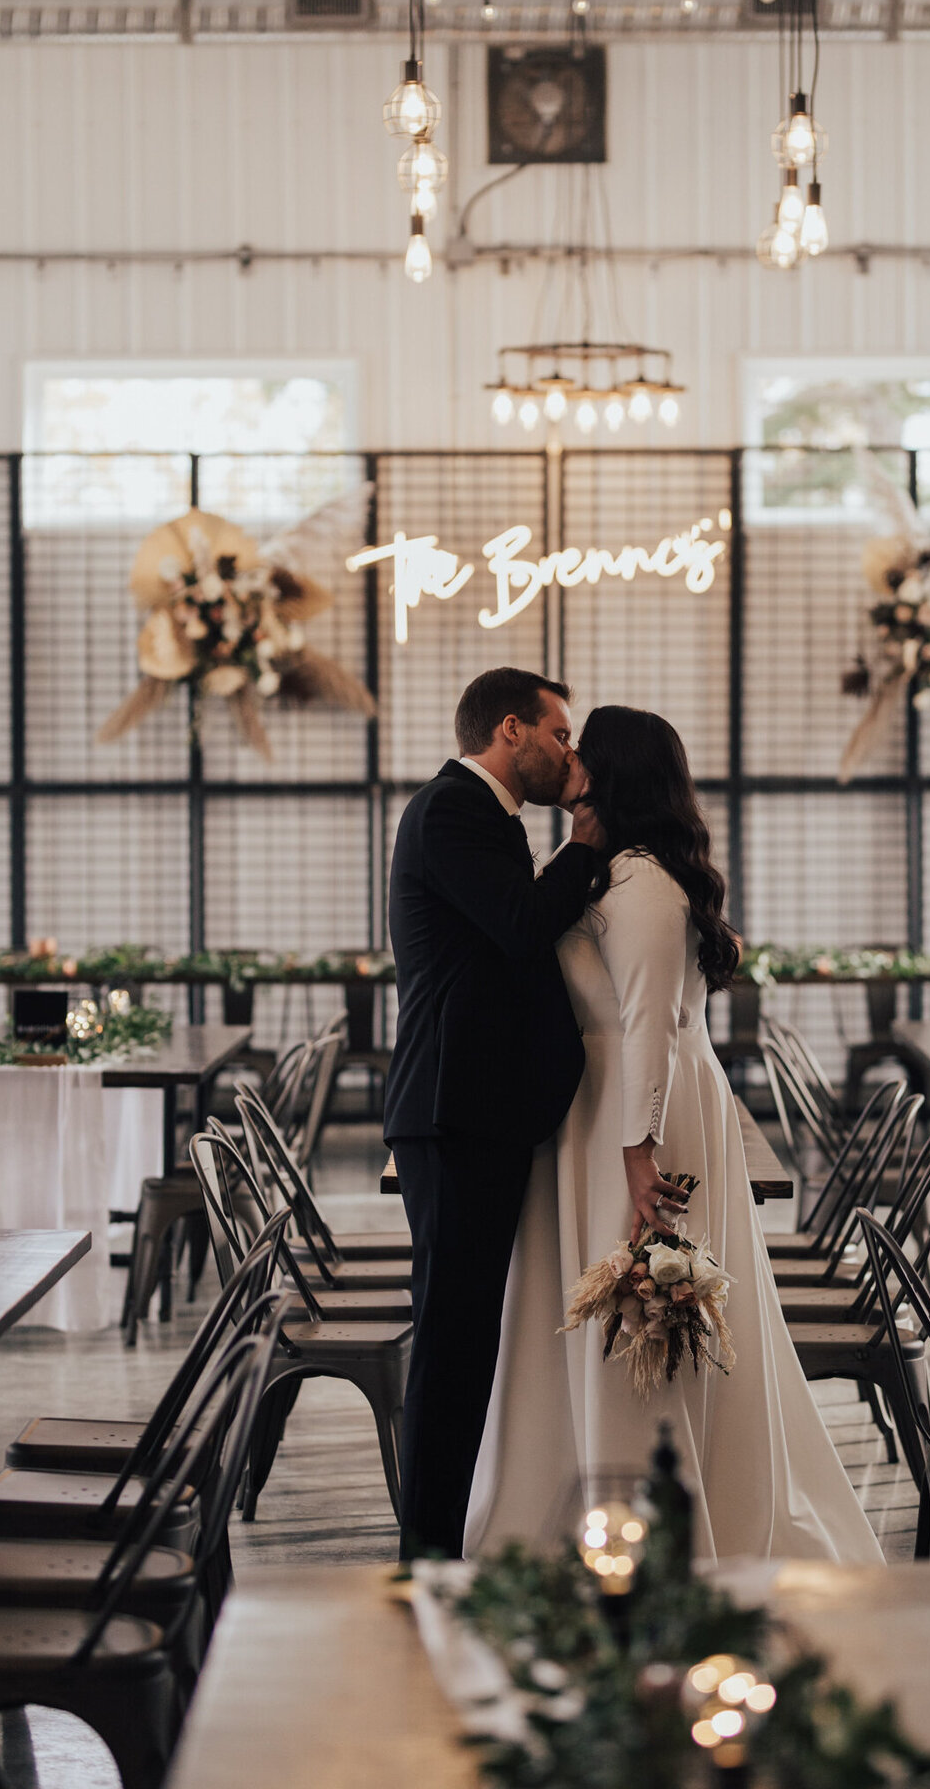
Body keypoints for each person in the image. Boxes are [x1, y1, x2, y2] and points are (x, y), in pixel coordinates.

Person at [465, 705, 884, 1566]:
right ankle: (573, 1493)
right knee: (594, 1308)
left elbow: (650, 1025)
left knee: (644, 1309)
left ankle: (656, 1505)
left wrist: (637, 1154)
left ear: (616, 770)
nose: (568, 755)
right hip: (596, 1106)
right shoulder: (606, 871)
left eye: (584, 746)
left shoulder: (647, 885)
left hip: (637, 1114)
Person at [385, 667, 605, 1560]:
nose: (569, 753)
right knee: (452, 1340)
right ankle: (427, 1557)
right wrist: (588, 844)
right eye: (560, 735)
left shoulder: (487, 821)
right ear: (510, 730)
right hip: (455, 1111)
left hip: (476, 1110)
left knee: (469, 1334)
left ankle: (444, 1538)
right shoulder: (451, 811)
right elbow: (521, 927)